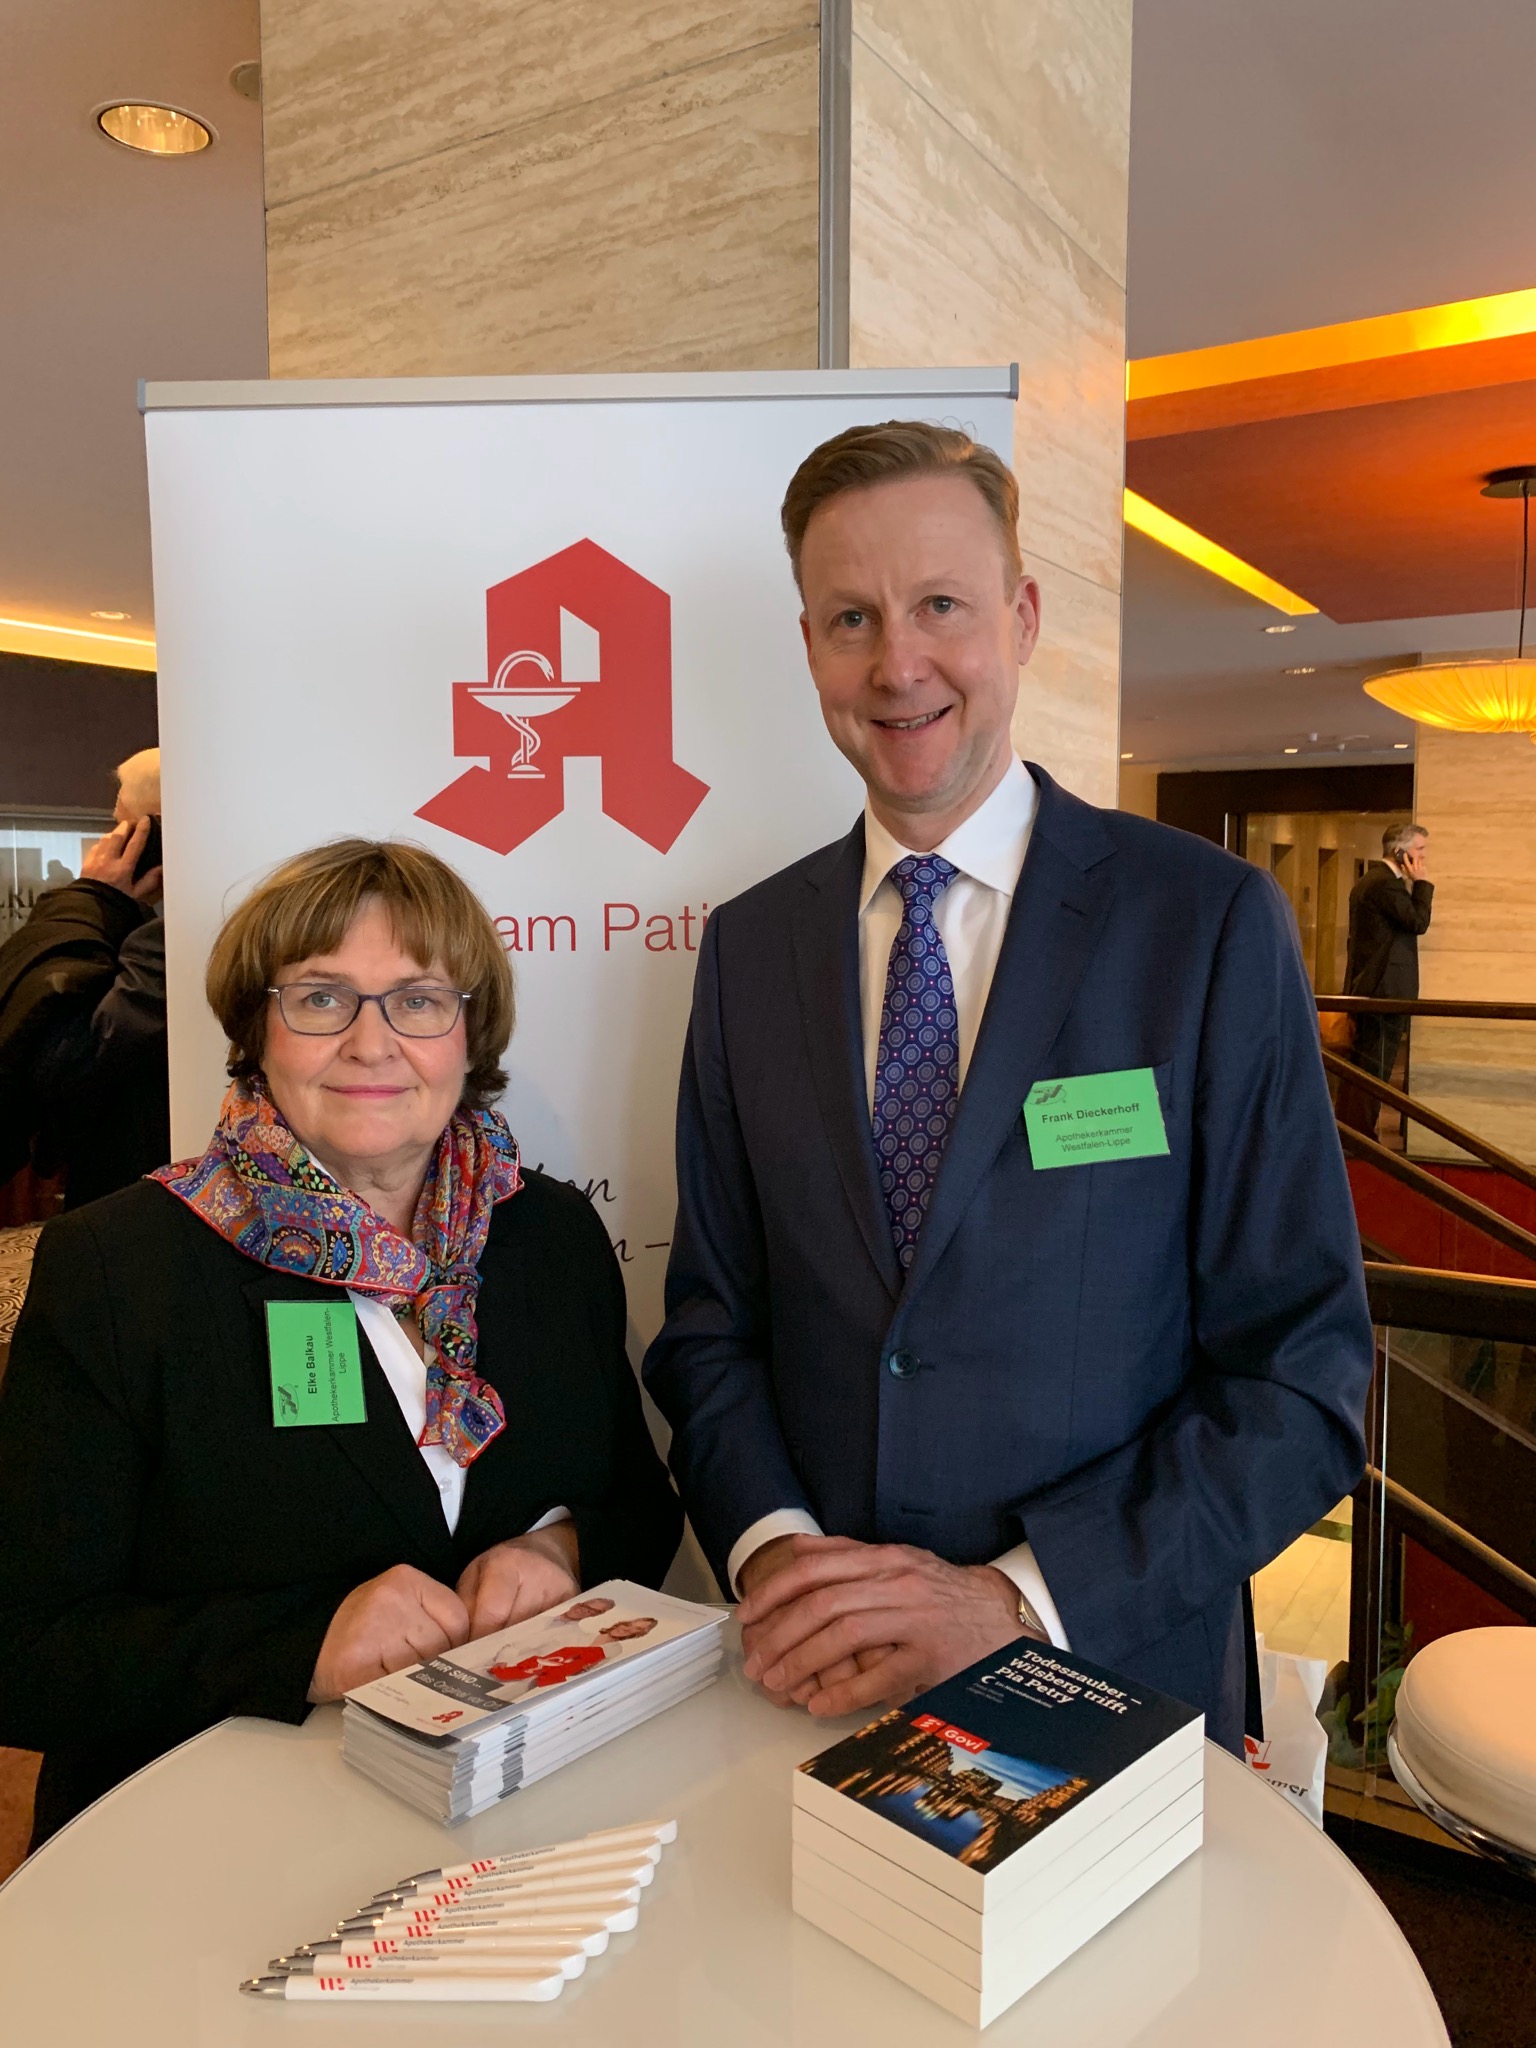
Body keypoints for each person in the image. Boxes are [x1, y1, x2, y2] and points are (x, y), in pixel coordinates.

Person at [643, 421, 1373, 1755]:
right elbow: (711, 1327)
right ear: (808, 645)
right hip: (812, 1685)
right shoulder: (751, 948)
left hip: (1113, 1677)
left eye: (941, 605)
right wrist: (780, 1553)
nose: (897, 663)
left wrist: (1016, 1600)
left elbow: (1302, 1376)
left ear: (1022, 618)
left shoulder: (1203, 924)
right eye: (852, 618)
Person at [0, 837, 681, 1842]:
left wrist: (564, 1547)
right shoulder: (118, 1267)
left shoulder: (551, 1234)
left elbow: (641, 1505)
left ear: (470, 1033)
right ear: (256, 1029)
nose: (372, 1042)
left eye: (418, 999)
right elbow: (25, 1651)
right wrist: (302, 1643)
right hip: (218, 1845)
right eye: (321, 998)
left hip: (527, 1821)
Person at [0, 748, 169, 1203]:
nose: (108, 839)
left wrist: (91, 897)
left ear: (150, 836)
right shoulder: (148, 929)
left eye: (121, 825)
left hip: (131, 1186)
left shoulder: (163, 942)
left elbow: (62, 1064)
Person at [1342, 822, 1432, 1133]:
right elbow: (1418, 921)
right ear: (1400, 852)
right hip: (1383, 993)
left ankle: (1354, 1133)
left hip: (1374, 989)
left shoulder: (1374, 881)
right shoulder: (1384, 885)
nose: (1423, 858)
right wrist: (1422, 883)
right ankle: (1360, 1136)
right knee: (1373, 1070)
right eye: (1419, 850)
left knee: (1367, 1069)